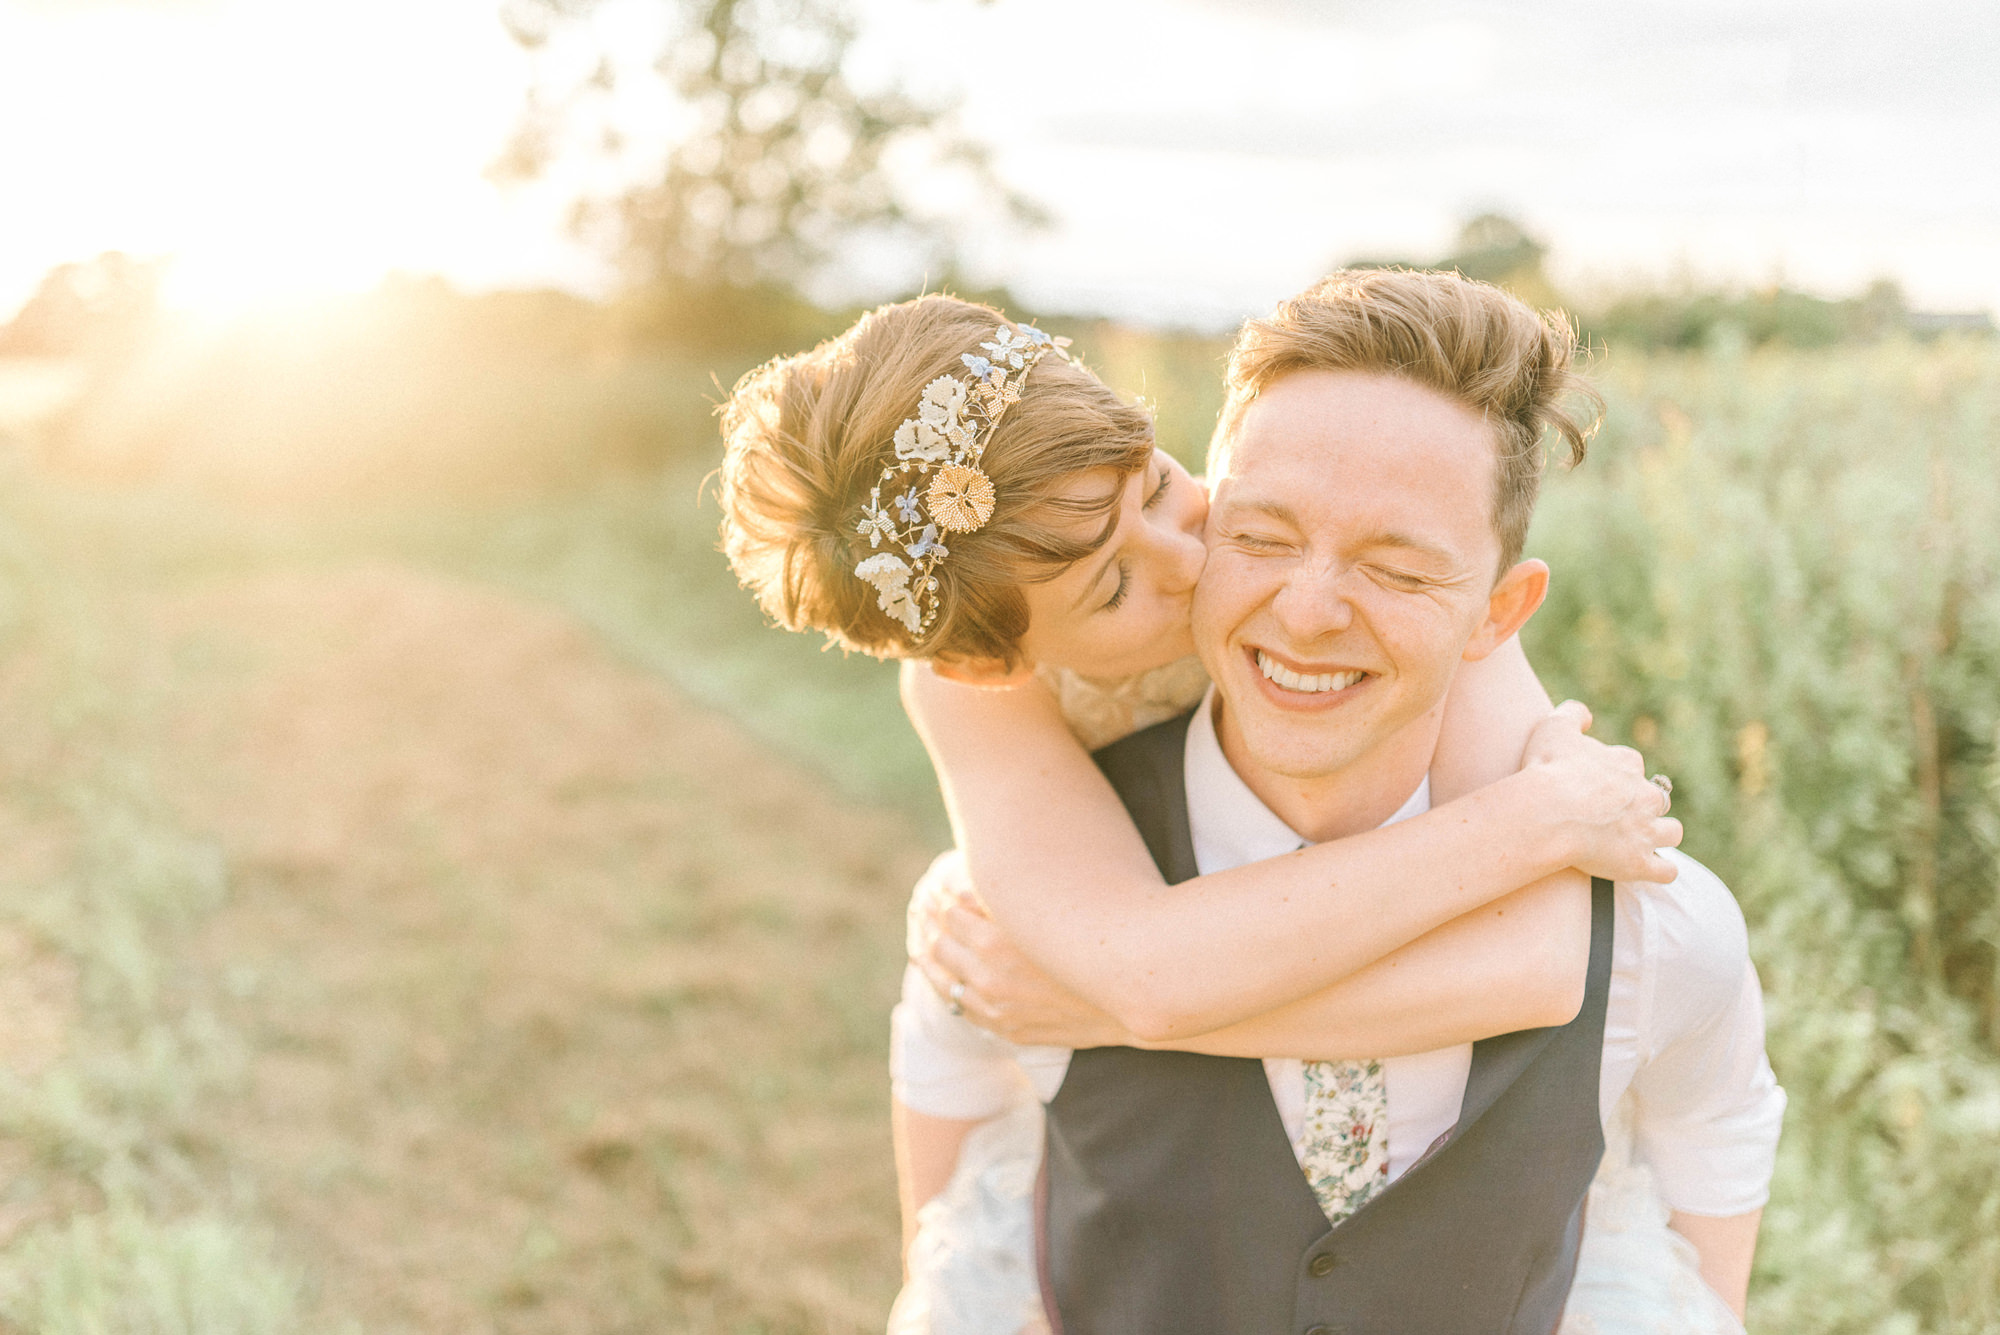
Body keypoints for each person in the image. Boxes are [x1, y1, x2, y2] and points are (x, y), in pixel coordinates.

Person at [714, 282, 1759, 1331]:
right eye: (1113, 589)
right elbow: (1109, 994)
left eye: (1162, 488)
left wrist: (1093, 1012)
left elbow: (1544, 969)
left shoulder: (1410, 591)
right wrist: (1536, 822)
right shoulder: (974, 715)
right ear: (993, 661)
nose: (1194, 559)